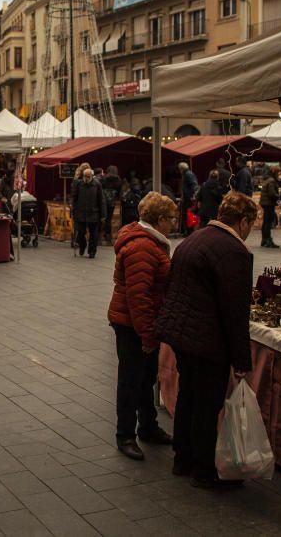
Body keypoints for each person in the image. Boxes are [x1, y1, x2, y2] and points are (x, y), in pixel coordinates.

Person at [157, 192, 257, 489]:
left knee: (188, 395)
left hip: (182, 334)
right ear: (243, 221)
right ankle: (203, 469)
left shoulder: (194, 238)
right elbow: (235, 310)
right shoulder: (234, 251)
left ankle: (182, 458)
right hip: (206, 339)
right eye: (251, 223)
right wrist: (241, 360)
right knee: (207, 403)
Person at [107, 192, 177, 460]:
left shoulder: (150, 241)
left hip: (139, 322)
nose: (173, 223)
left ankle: (147, 426)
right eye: (171, 218)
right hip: (132, 324)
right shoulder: (143, 247)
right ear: (159, 219)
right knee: (130, 380)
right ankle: (125, 435)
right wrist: (147, 334)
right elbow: (139, 297)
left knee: (146, 378)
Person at [71, 166, 105, 258]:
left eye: (88, 176)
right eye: (85, 176)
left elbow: (101, 199)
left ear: (92, 176)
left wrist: (103, 214)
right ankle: (82, 246)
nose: (86, 178)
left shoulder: (97, 184)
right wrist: (73, 209)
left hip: (94, 213)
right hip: (81, 213)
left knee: (94, 235)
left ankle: (92, 251)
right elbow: (74, 197)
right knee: (80, 233)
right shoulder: (79, 184)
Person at [259, 165, 281, 248]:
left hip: (265, 203)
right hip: (269, 203)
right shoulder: (271, 181)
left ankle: (264, 240)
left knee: (266, 222)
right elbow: (272, 193)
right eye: (278, 172)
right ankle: (268, 240)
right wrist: (278, 196)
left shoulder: (267, 179)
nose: (279, 174)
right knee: (268, 222)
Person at [102, 166, 122, 243]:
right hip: (112, 202)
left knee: (102, 218)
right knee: (109, 219)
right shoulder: (118, 180)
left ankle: (100, 236)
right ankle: (108, 236)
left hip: (104, 201)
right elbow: (119, 191)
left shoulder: (104, 178)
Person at [178, 162, 199, 236]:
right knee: (186, 215)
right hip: (188, 198)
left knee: (187, 215)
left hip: (188, 199)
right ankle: (188, 231)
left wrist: (193, 196)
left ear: (181, 169)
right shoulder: (187, 174)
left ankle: (189, 232)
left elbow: (194, 185)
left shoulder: (188, 174)